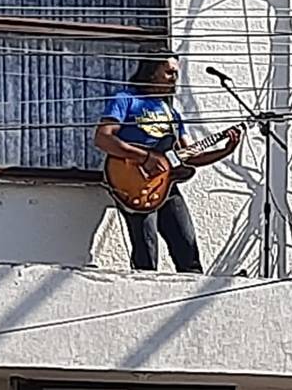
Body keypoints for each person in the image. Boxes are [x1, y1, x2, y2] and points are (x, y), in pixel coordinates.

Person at [94, 51, 242, 273]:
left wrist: (224, 150)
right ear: (153, 73)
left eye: (176, 73)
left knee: (187, 247)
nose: (174, 78)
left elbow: (189, 155)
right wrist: (144, 157)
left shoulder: (172, 114)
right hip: (134, 182)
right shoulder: (126, 99)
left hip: (167, 187)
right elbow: (103, 138)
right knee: (146, 250)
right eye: (169, 72)